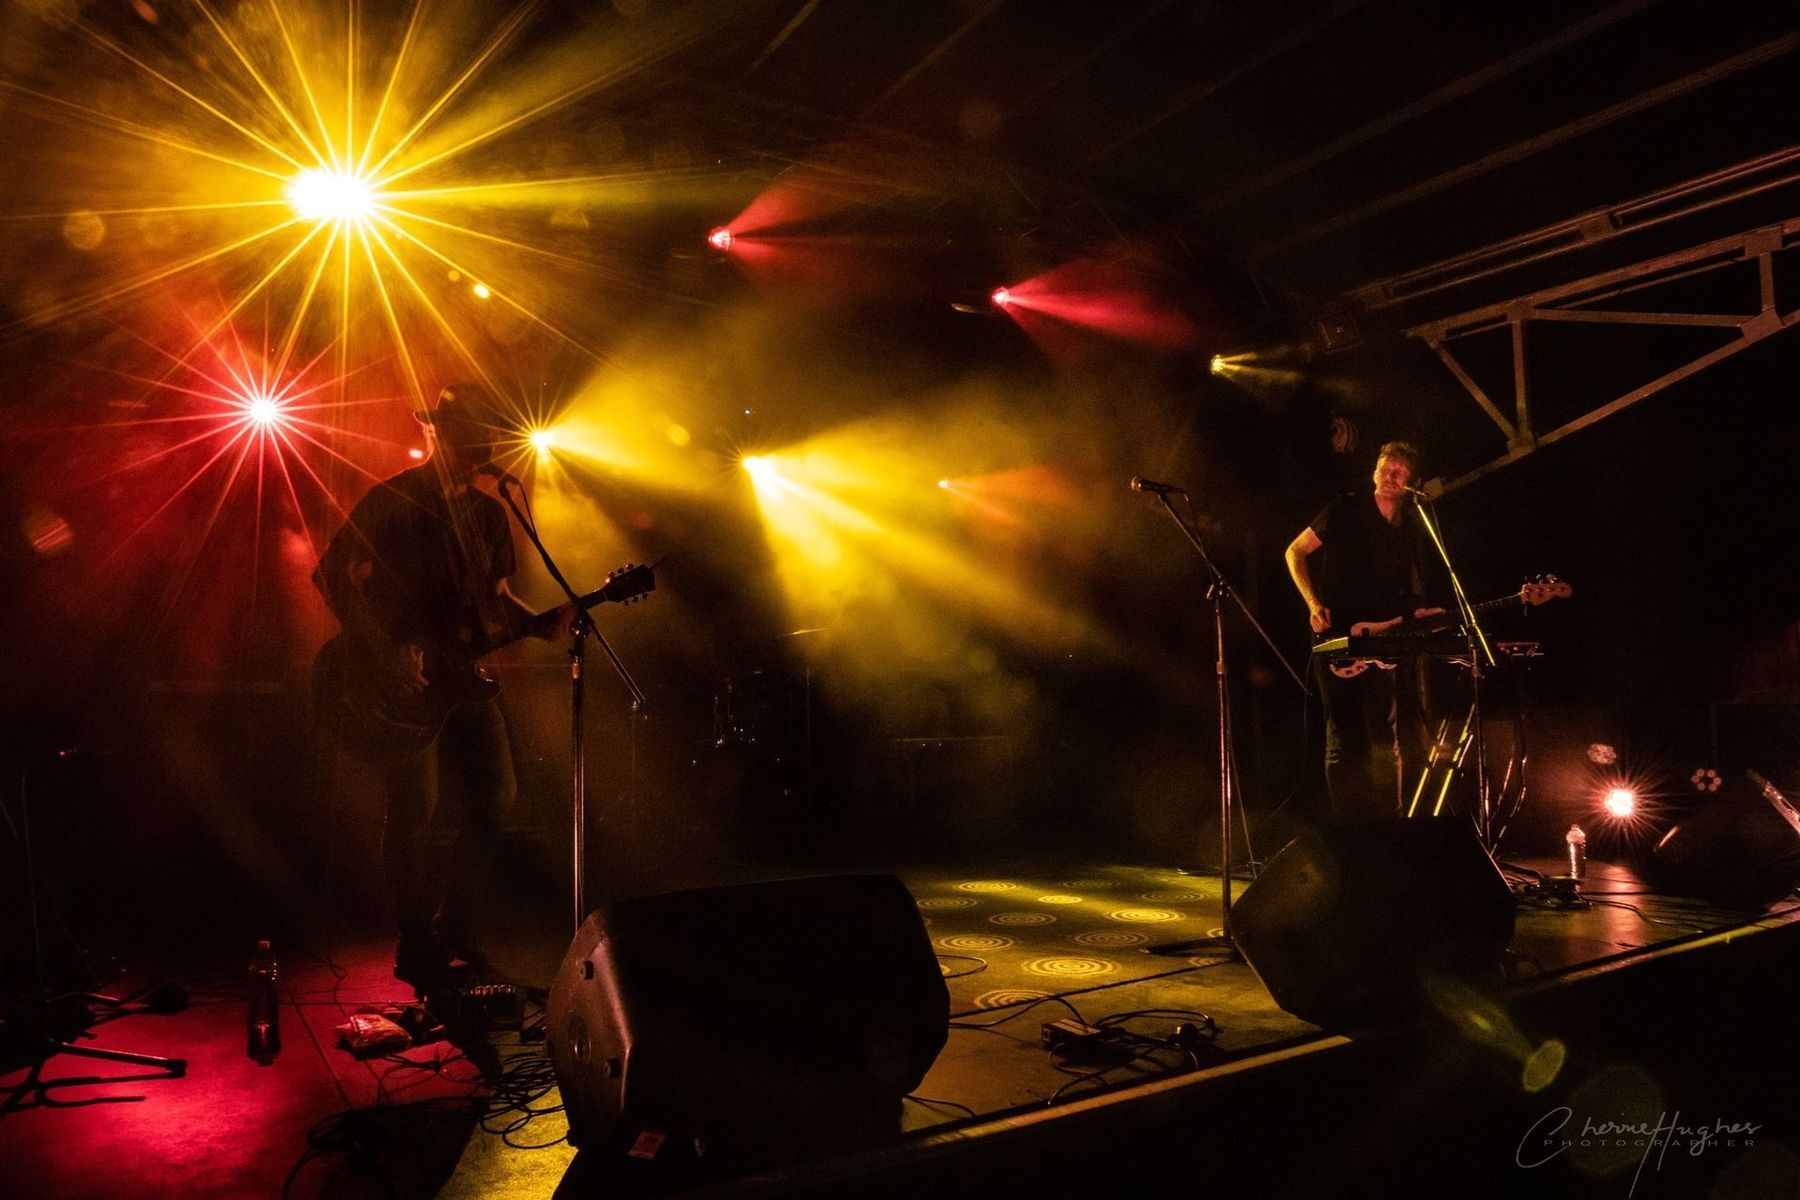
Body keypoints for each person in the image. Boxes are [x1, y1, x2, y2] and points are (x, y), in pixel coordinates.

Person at [313, 383, 570, 991]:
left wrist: (539, 622)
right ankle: (414, 940)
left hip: (465, 675)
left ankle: (456, 923)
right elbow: (332, 573)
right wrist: (383, 650)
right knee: (416, 808)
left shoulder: (489, 512)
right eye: (465, 429)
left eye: (484, 431)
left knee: (497, 796)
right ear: (436, 434)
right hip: (399, 682)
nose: (478, 441)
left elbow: (498, 599)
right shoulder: (397, 499)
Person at [1284, 441, 1440, 821]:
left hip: (1383, 639)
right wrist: (1312, 604)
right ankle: (1349, 828)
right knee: (1343, 735)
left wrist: (1420, 612)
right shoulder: (1344, 509)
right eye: (1386, 469)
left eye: (1399, 473)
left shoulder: (1412, 528)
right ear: (1374, 471)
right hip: (1336, 635)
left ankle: (1390, 824)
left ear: (1410, 482)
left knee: (1385, 734)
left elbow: (1411, 590)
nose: (1390, 477)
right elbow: (1294, 552)